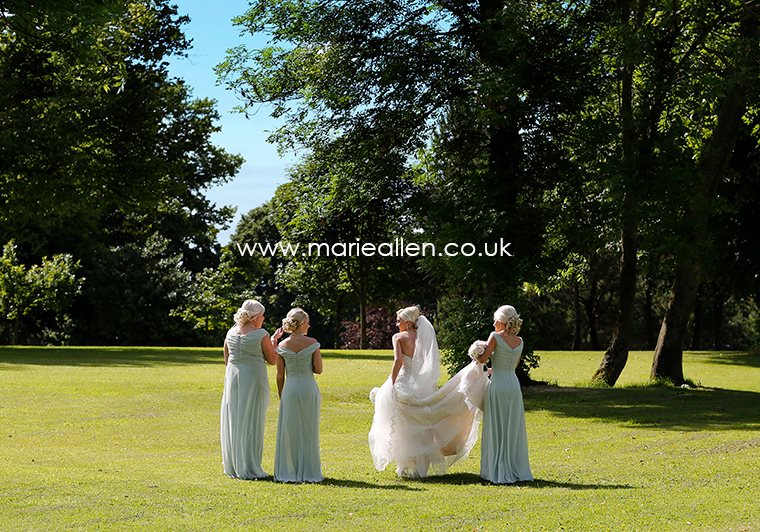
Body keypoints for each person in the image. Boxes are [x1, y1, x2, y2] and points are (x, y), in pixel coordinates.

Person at [368, 306, 489, 478]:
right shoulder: (424, 338)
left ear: (408, 322)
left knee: (405, 426)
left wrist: (391, 383)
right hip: (421, 385)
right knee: (422, 428)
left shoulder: (398, 337)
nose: (396, 324)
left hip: (404, 381)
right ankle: (419, 466)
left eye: (399, 321)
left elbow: (398, 362)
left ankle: (406, 465)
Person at [220, 299, 281, 479]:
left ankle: (234, 464)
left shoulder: (231, 332)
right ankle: (249, 465)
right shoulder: (261, 334)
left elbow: (227, 357)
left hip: (233, 378)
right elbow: (272, 360)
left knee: (234, 417)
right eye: (262, 316)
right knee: (252, 418)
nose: (264, 318)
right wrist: (274, 342)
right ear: (255, 317)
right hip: (253, 379)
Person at [474, 305, 533, 484]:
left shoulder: (495, 336)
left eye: (495, 321)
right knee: (512, 425)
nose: (493, 324)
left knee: (496, 424)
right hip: (513, 385)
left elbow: (483, 359)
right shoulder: (520, 341)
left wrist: (475, 353)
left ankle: (496, 468)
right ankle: (514, 466)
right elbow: (513, 365)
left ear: (501, 321)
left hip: (498, 384)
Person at [274, 308, 324, 483]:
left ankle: (290, 469)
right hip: (308, 387)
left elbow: (280, 375)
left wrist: (282, 394)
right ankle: (309, 469)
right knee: (309, 429)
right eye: (308, 323)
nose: (309, 326)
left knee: (290, 430)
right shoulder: (313, 343)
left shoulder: (282, 346)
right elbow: (319, 369)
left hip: (290, 389)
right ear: (302, 324)